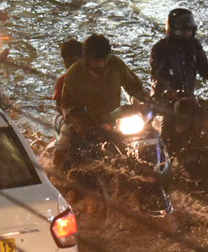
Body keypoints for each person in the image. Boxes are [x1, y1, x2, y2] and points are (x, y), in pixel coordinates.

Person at [54, 33, 149, 171]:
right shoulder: (74, 73)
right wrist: (81, 125)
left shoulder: (115, 64)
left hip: (114, 118)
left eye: (104, 59)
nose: (101, 63)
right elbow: (68, 105)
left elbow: (134, 86)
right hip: (86, 123)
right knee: (65, 141)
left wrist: (148, 100)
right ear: (87, 58)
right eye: (96, 60)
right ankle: (57, 172)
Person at [149, 7, 208, 151]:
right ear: (173, 29)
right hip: (164, 99)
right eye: (184, 30)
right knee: (169, 129)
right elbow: (158, 73)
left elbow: (205, 68)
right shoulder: (160, 48)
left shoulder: (194, 46)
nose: (187, 33)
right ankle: (168, 159)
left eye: (190, 30)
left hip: (187, 97)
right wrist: (168, 89)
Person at [53, 38, 83, 114]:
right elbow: (58, 106)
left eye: (73, 61)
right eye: (66, 61)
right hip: (68, 116)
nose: (70, 65)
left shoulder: (91, 78)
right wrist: (68, 114)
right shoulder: (62, 81)